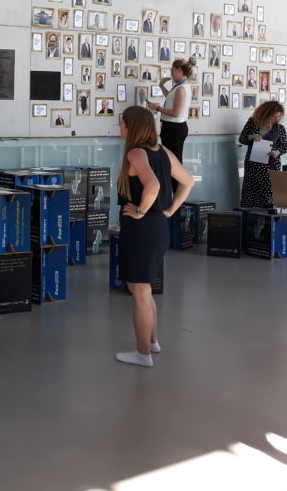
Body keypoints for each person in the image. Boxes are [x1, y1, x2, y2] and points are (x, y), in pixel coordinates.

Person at [115, 105, 194, 368]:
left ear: (132, 126)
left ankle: (142, 354)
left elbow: (154, 185)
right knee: (145, 290)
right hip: (159, 227)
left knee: (139, 292)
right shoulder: (164, 152)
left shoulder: (136, 153)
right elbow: (188, 181)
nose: (120, 127)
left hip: (142, 229)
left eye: (122, 123)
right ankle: (152, 342)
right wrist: (170, 210)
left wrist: (140, 210)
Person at [238, 100, 287, 208]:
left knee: (267, 195)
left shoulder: (280, 128)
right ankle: (249, 219)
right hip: (253, 165)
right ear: (266, 113)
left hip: (271, 166)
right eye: (274, 116)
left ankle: (267, 221)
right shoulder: (253, 123)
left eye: (278, 117)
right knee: (250, 194)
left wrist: (277, 152)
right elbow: (242, 139)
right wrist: (251, 137)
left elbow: (285, 147)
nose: (276, 119)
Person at [146, 58, 195, 166]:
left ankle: (175, 183)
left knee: (173, 162)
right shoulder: (180, 86)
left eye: (172, 71)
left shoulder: (181, 88)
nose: (171, 74)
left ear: (179, 70)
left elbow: (175, 112)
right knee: (171, 160)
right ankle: (173, 182)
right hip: (173, 127)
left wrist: (157, 108)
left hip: (174, 129)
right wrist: (161, 86)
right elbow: (170, 98)